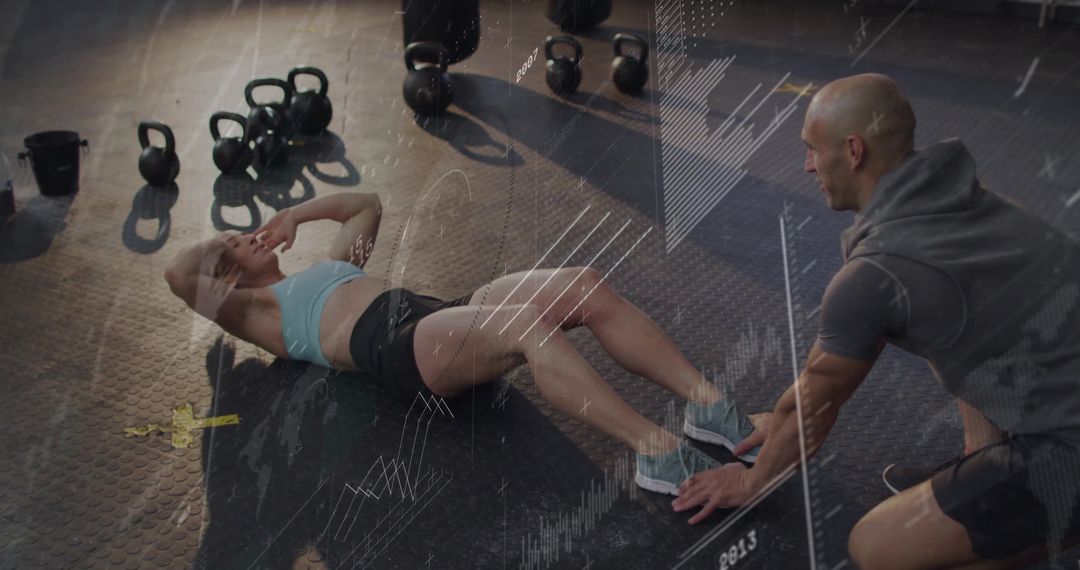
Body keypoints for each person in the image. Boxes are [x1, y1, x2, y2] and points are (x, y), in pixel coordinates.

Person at [672, 73, 1080, 569]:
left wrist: (752, 480)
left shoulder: (875, 274)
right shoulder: (971, 200)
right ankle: (986, 469)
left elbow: (813, 408)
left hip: (1067, 451)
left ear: (853, 150)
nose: (806, 166)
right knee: (949, 327)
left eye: (811, 150)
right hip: (1059, 402)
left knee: (875, 545)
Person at [164, 191, 763, 495]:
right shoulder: (260, 312)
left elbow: (367, 203)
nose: (252, 239)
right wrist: (226, 251)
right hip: (397, 349)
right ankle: (655, 450)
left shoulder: (332, 266)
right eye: (238, 244)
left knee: (583, 286)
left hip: (439, 315)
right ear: (229, 275)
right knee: (530, 326)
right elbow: (179, 275)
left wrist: (296, 212)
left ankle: (709, 407)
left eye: (248, 235)